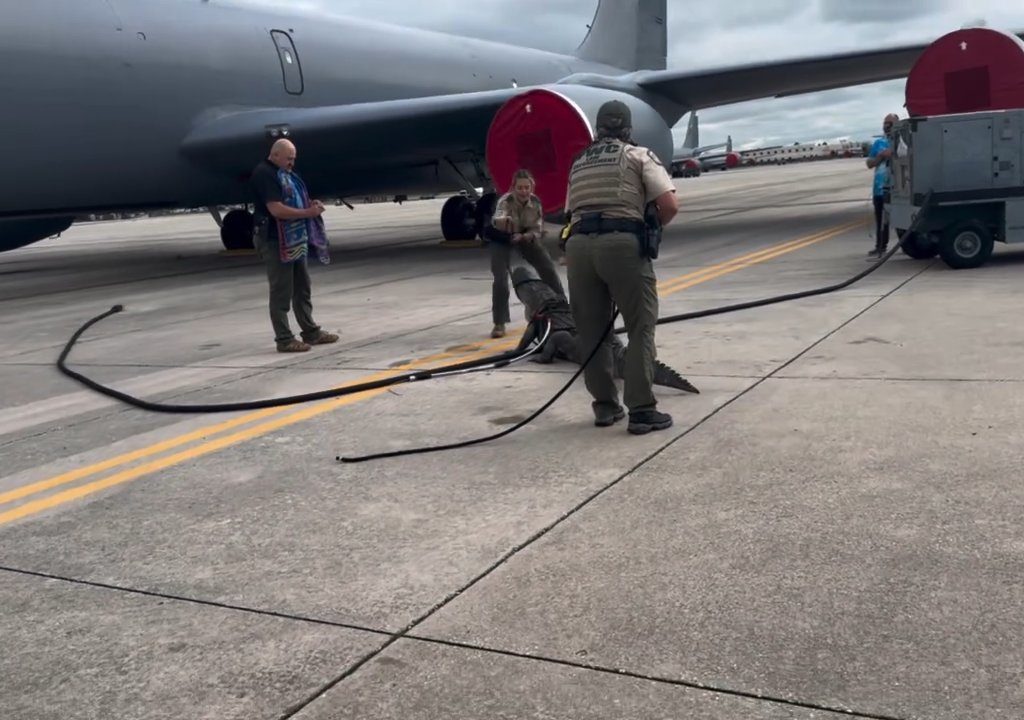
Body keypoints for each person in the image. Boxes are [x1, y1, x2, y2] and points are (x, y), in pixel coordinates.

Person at [562, 100, 679, 434]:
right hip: (621, 243)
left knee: (592, 331)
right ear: (628, 128)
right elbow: (669, 204)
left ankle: (605, 406)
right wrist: (649, 229)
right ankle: (641, 409)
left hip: (580, 247)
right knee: (641, 326)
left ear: (598, 128)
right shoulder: (638, 155)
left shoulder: (579, 163)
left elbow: (570, 211)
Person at [511, 265, 699, 394]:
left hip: (576, 339)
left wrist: (530, 354)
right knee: (608, 346)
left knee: (564, 338)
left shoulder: (538, 315)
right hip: (588, 331)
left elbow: (533, 334)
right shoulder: (554, 301)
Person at [250, 138, 339, 353]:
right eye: (289, 158)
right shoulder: (265, 173)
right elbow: (277, 209)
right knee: (281, 290)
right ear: (275, 154)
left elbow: (294, 199)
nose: (292, 162)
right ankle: (284, 338)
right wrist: (308, 213)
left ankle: (311, 332)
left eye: (294, 159)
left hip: (294, 238)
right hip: (274, 239)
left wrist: (311, 204)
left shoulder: (287, 173)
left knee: (302, 287)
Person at [486, 168, 566, 339]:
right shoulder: (505, 201)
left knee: (547, 267)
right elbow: (497, 220)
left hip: (525, 235)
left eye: (526, 188)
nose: (523, 191)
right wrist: (507, 227)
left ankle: (563, 306)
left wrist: (525, 236)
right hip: (502, 238)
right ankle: (499, 322)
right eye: (520, 188)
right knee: (500, 278)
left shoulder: (535, 202)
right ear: (513, 188)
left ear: (532, 188)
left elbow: (537, 229)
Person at [865, 113, 898, 259]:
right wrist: (881, 156)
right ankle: (880, 246)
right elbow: (869, 163)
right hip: (879, 189)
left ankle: (907, 243)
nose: (886, 126)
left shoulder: (901, 141)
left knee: (899, 218)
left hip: (897, 188)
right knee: (880, 219)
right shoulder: (879, 143)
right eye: (885, 123)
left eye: (890, 123)